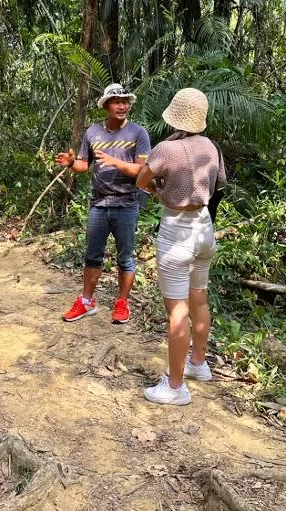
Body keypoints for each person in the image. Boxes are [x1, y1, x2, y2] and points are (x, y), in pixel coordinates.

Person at [135, 88, 226, 405]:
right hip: (204, 229)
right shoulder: (211, 147)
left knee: (177, 312)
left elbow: (141, 180)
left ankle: (175, 387)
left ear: (174, 115)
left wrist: (160, 190)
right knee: (198, 300)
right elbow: (219, 183)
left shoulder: (166, 149)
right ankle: (198, 364)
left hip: (176, 231)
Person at [55, 83, 151, 324]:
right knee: (92, 255)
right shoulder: (93, 132)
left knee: (125, 257)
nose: (122, 106)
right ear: (106, 105)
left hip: (127, 203)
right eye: (117, 102)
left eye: (125, 102)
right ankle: (87, 302)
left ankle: (122, 303)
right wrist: (71, 163)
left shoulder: (138, 133)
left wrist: (114, 161)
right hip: (99, 204)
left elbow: (142, 171)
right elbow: (84, 165)